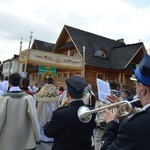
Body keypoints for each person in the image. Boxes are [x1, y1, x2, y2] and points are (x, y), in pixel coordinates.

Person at [100, 54, 150, 150]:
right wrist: (125, 112)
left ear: (142, 89)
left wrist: (111, 124)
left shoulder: (132, 126)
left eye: (135, 84)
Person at [44, 76, 96, 150]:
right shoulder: (92, 112)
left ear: (67, 94)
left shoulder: (60, 113)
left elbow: (48, 132)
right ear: (82, 95)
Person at [0, 73, 40, 150]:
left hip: (7, 139)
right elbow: (34, 118)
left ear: (9, 83)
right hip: (23, 138)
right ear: (20, 83)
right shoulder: (28, 98)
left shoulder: (3, 98)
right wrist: (37, 137)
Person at [36, 77, 60, 143]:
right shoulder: (55, 89)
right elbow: (58, 99)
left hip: (45, 108)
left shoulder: (44, 88)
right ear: (52, 82)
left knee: (43, 119)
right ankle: (51, 138)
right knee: (52, 121)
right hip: (53, 108)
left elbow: (39, 97)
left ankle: (43, 137)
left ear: (46, 81)